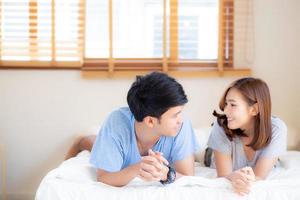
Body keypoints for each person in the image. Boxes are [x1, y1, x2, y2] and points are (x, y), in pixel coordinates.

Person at [65, 72, 200, 187]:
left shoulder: (181, 126)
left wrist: (166, 174)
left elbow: (188, 177)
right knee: (94, 144)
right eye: (175, 115)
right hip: (122, 148)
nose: (180, 119)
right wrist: (137, 168)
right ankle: (82, 140)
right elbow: (104, 177)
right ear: (150, 121)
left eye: (180, 112)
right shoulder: (117, 123)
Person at [205, 77, 287, 195]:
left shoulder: (277, 129)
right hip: (215, 153)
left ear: (254, 109)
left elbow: (258, 176)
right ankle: (210, 146)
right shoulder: (221, 126)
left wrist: (244, 182)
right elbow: (223, 176)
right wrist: (232, 178)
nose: (226, 110)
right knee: (209, 152)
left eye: (233, 105)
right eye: (226, 104)